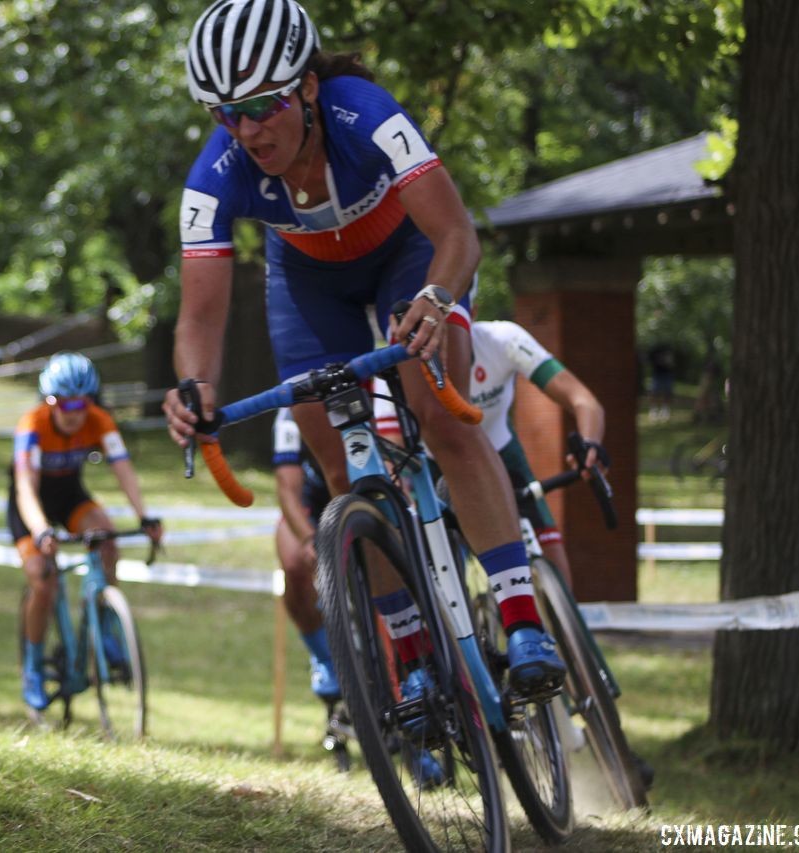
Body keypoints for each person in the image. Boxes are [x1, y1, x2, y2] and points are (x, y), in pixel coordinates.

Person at [163, 0, 564, 708]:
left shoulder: (365, 114)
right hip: (310, 282)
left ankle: (521, 614)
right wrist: (193, 388)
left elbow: (457, 237)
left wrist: (437, 301)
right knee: (348, 465)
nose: (248, 128)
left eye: (262, 104)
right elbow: (200, 313)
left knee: (441, 414)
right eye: (228, 113)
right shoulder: (214, 176)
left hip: (410, 255)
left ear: (308, 87)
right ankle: (410, 653)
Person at [11, 352, 163, 712]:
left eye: (81, 402)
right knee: (43, 581)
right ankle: (32, 668)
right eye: (62, 403)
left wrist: (145, 516)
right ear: (48, 400)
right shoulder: (31, 425)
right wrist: (40, 530)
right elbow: (25, 488)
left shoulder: (99, 421)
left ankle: (107, 625)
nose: (73, 411)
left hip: (70, 496)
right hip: (31, 505)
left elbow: (123, 469)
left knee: (107, 540)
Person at [466, 320, 606, 587]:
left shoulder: (502, 339)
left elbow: (583, 399)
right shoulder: (407, 357)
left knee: (553, 557)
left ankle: (564, 623)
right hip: (437, 460)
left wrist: (590, 444)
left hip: (501, 453)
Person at [271, 407, 337, 700]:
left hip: (358, 489)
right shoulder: (290, 413)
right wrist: (308, 538)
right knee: (295, 564)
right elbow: (287, 488)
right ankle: (325, 659)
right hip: (311, 500)